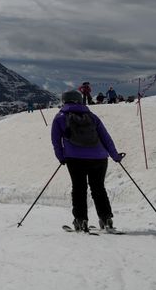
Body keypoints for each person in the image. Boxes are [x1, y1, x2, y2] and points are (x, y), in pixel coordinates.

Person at [51, 90, 125, 232]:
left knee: (79, 188)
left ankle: (80, 220)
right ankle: (106, 218)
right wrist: (115, 156)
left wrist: (61, 157)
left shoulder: (60, 117)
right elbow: (106, 138)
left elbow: (56, 141)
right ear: (80, 100)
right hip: (99, 158)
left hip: (75, 159)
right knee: (98, 188)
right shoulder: (92, 117)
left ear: (64, 101)